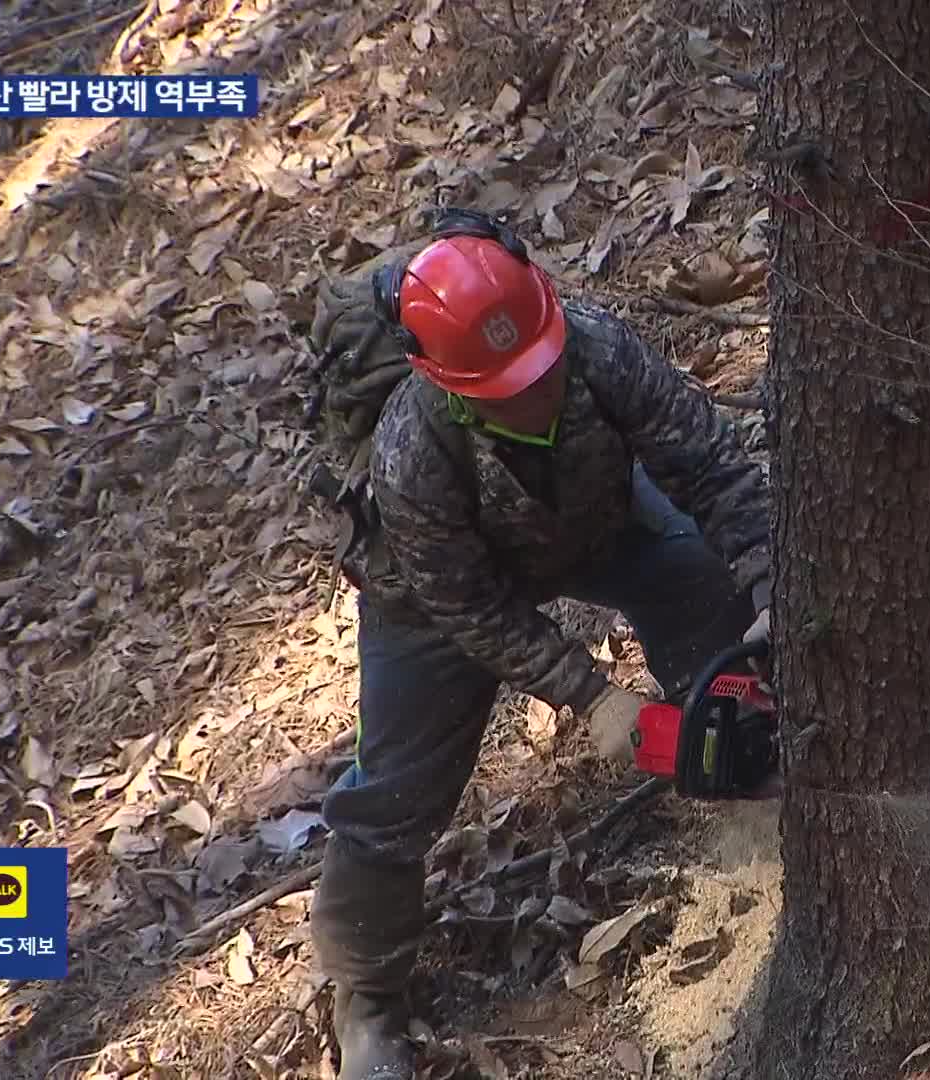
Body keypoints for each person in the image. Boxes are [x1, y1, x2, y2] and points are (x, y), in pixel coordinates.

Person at [305, 212, 772, 1079]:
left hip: (595, 515)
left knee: (705, 587)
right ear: (447, 384)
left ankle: (748, 785)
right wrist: (592, 696)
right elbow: (470, 606)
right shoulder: (413, 450)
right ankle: (366, 996)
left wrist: (767, 586)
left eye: (540, 368)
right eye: (507, 387)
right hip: (435, 595)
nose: (536, 391)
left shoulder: (596, 348)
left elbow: (707, 465)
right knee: (397, 788)